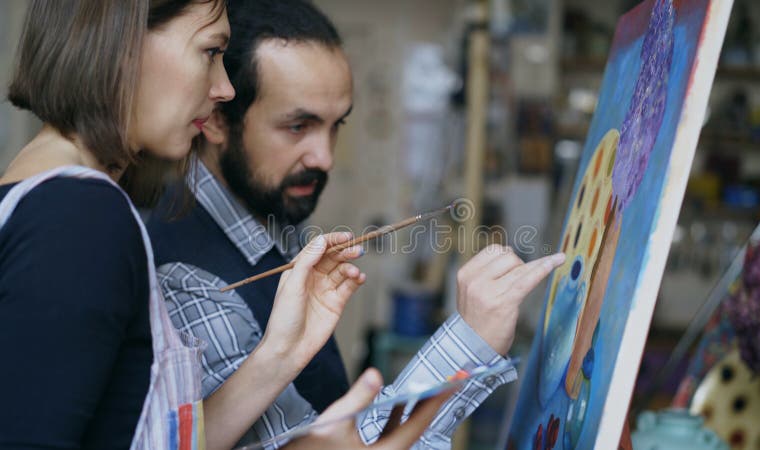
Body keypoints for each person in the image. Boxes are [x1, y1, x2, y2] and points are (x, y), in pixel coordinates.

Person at [0, 1, 453, 449]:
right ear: (122, 45)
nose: (224, 89)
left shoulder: (61, 201)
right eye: (211, 52)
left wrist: (280, 352)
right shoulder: (80, 214)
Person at [146, 0, 566, 448]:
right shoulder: (189, 281)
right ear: (216, 120)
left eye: (335, 125)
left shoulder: (269, 216)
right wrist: (471, 341)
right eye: (298, 126)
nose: (324, 157)